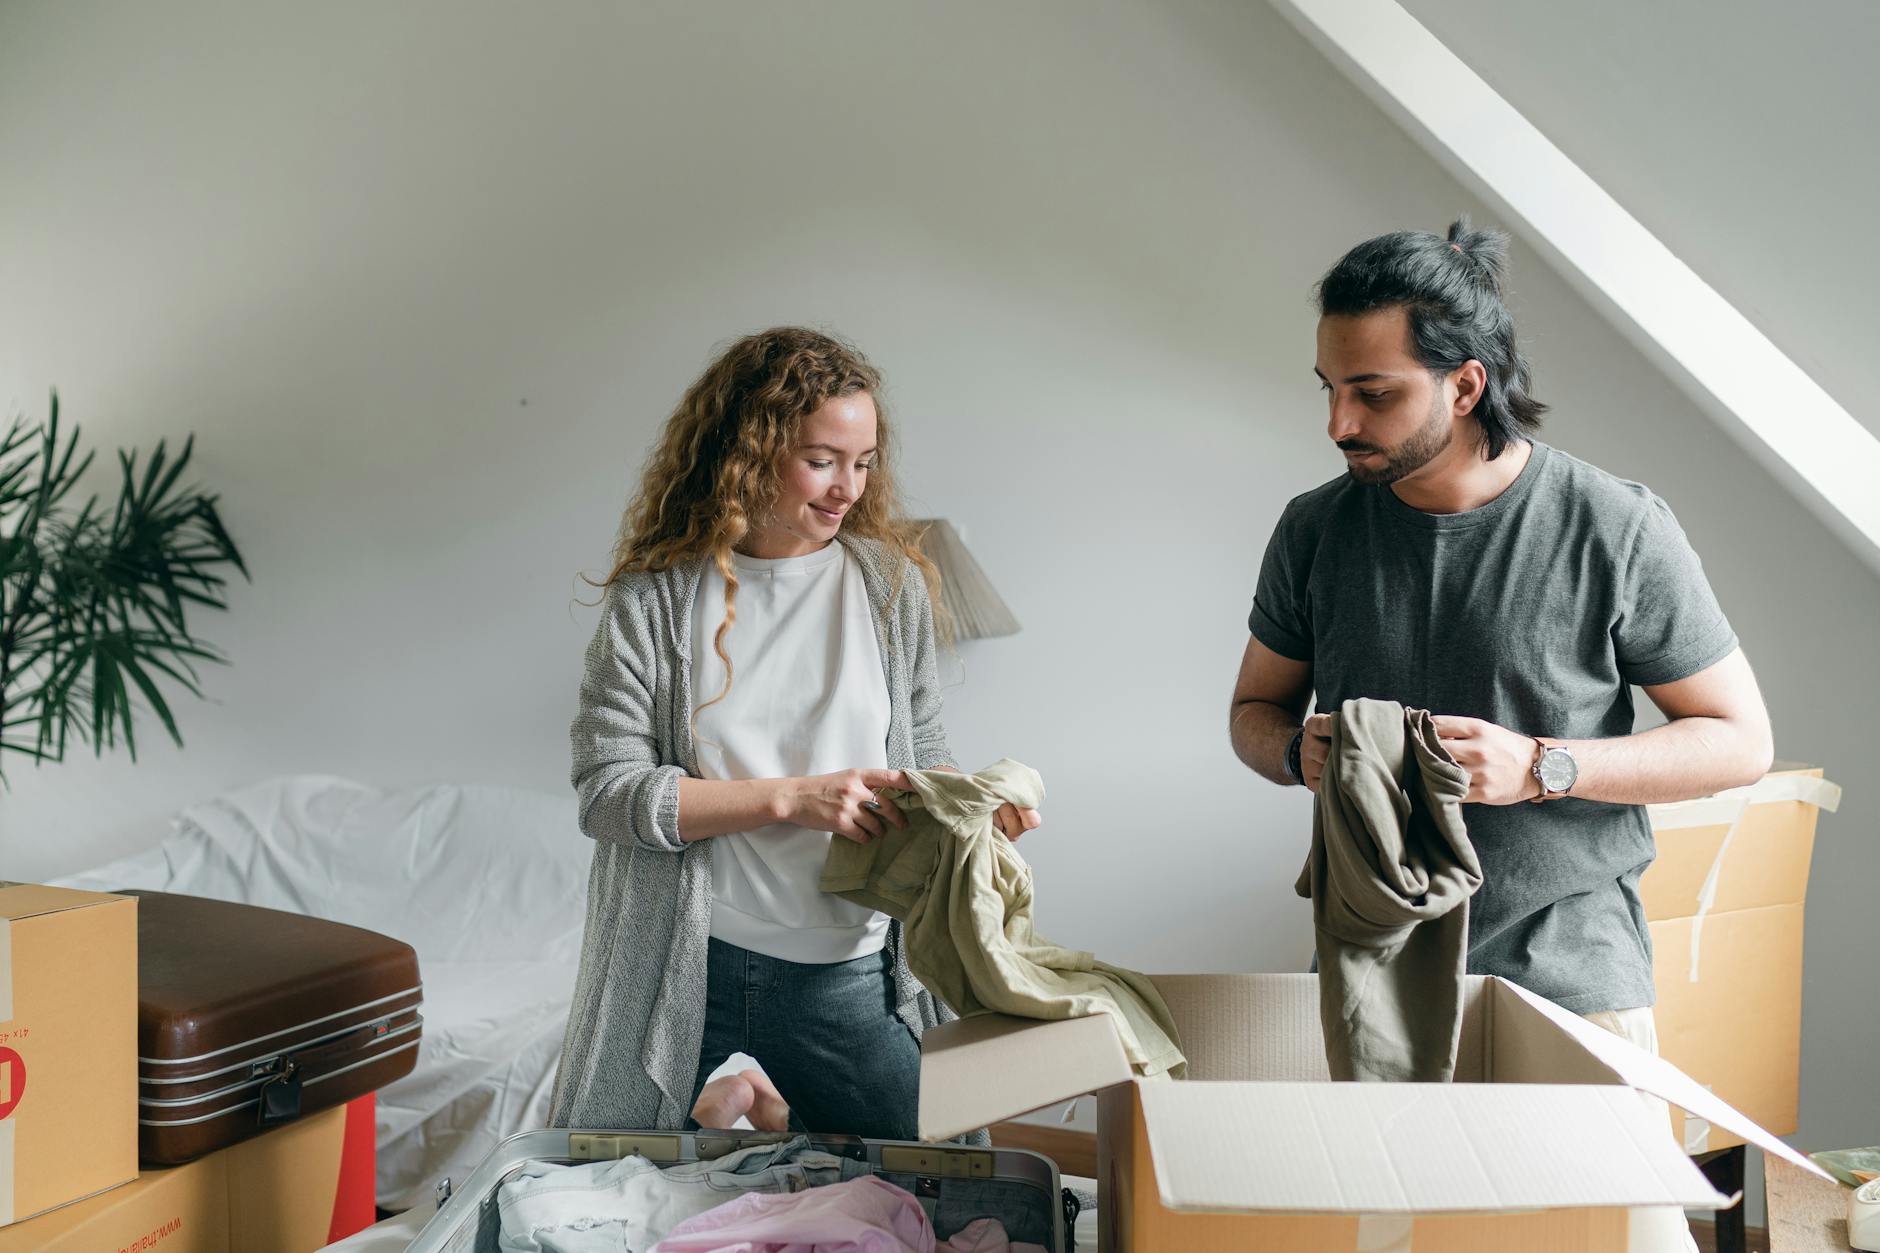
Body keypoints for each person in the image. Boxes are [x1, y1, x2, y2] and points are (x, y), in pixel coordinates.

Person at [1228, 220, 1772, 1247]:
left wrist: (1539, 766)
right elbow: (1251, 713)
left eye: (1374, 392)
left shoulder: (1613, 524)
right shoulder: (1314, 529)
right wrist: (1292, 751)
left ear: (1465, 385)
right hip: (1370, 977)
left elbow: (1736, 740)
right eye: (1328, 388)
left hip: (1569, 973)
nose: (1339, 420)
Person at [549, 327, 1040, 1141]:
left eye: (864, 460)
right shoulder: (655, 601)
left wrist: (969, 811)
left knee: (956, 1193)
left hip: (844, 970)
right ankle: (744, 1107)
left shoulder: (890, 587)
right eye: (821, 459)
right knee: (585, 1193)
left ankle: (752, 1110)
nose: (849, 486)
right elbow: (606, 794)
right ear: (748, 450)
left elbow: (920, 743)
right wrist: (791, 798)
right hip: (683, 966)